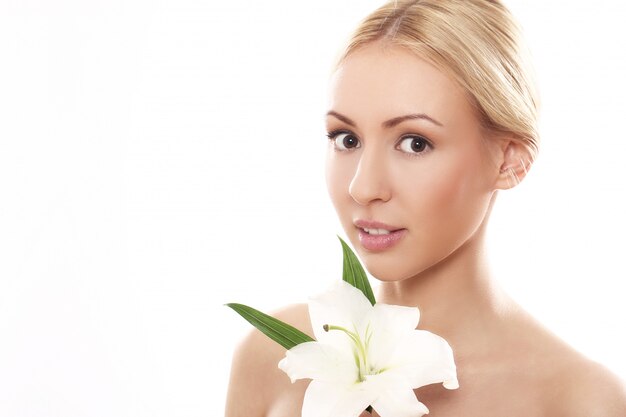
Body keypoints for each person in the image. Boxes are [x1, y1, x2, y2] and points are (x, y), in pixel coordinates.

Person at [225, 0, 626, 416]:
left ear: (509, 160)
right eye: (346, 138)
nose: (363, 187)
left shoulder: (578, 401)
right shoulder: (274, 358)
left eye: (415, 142)